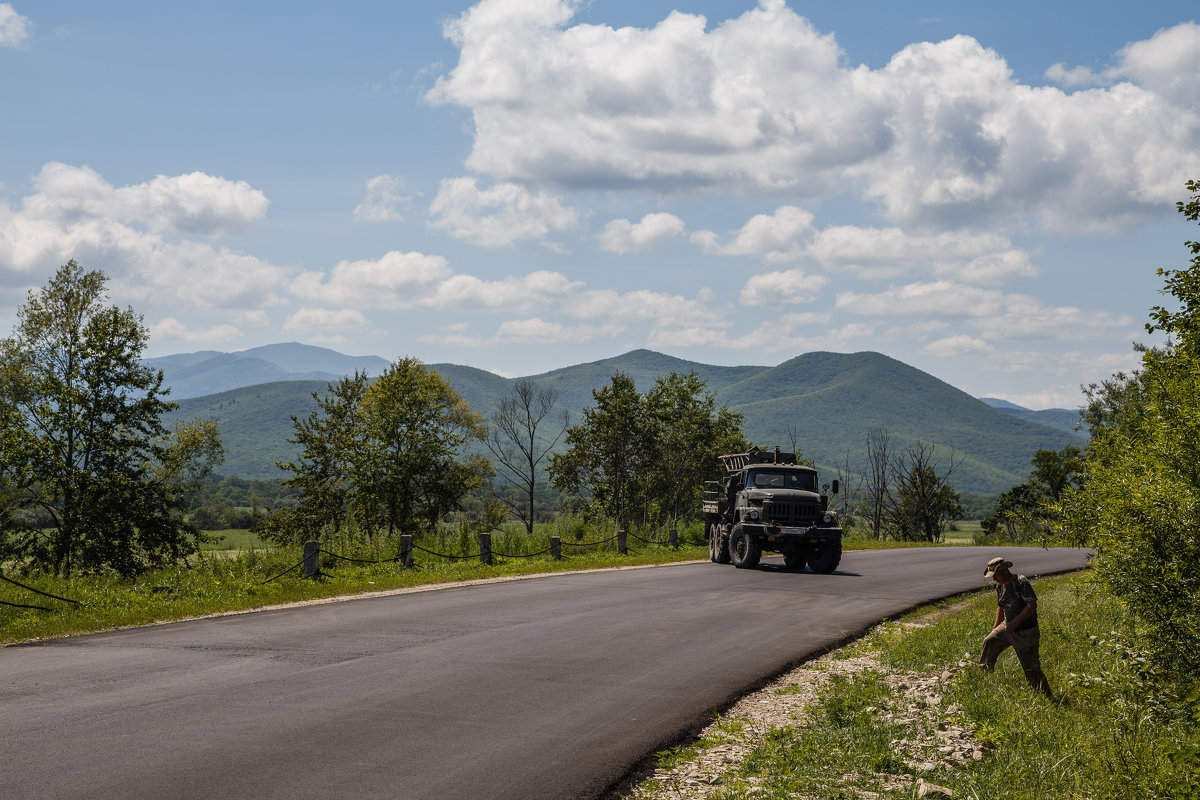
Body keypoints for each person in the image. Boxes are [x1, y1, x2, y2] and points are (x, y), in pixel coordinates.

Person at [979, 556, 1052, 696]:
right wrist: (996, 628)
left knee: (1031, 667)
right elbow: (1001, 606)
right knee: (989, 642)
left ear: (1005, 570)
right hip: (1007, 627)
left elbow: (1031, 605)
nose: (994, 578)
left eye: (995, 575)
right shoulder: (999, 585)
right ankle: (983, 679)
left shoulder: (1021, 582)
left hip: (1025, 631)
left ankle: (1044, 695)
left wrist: (1015, 623)